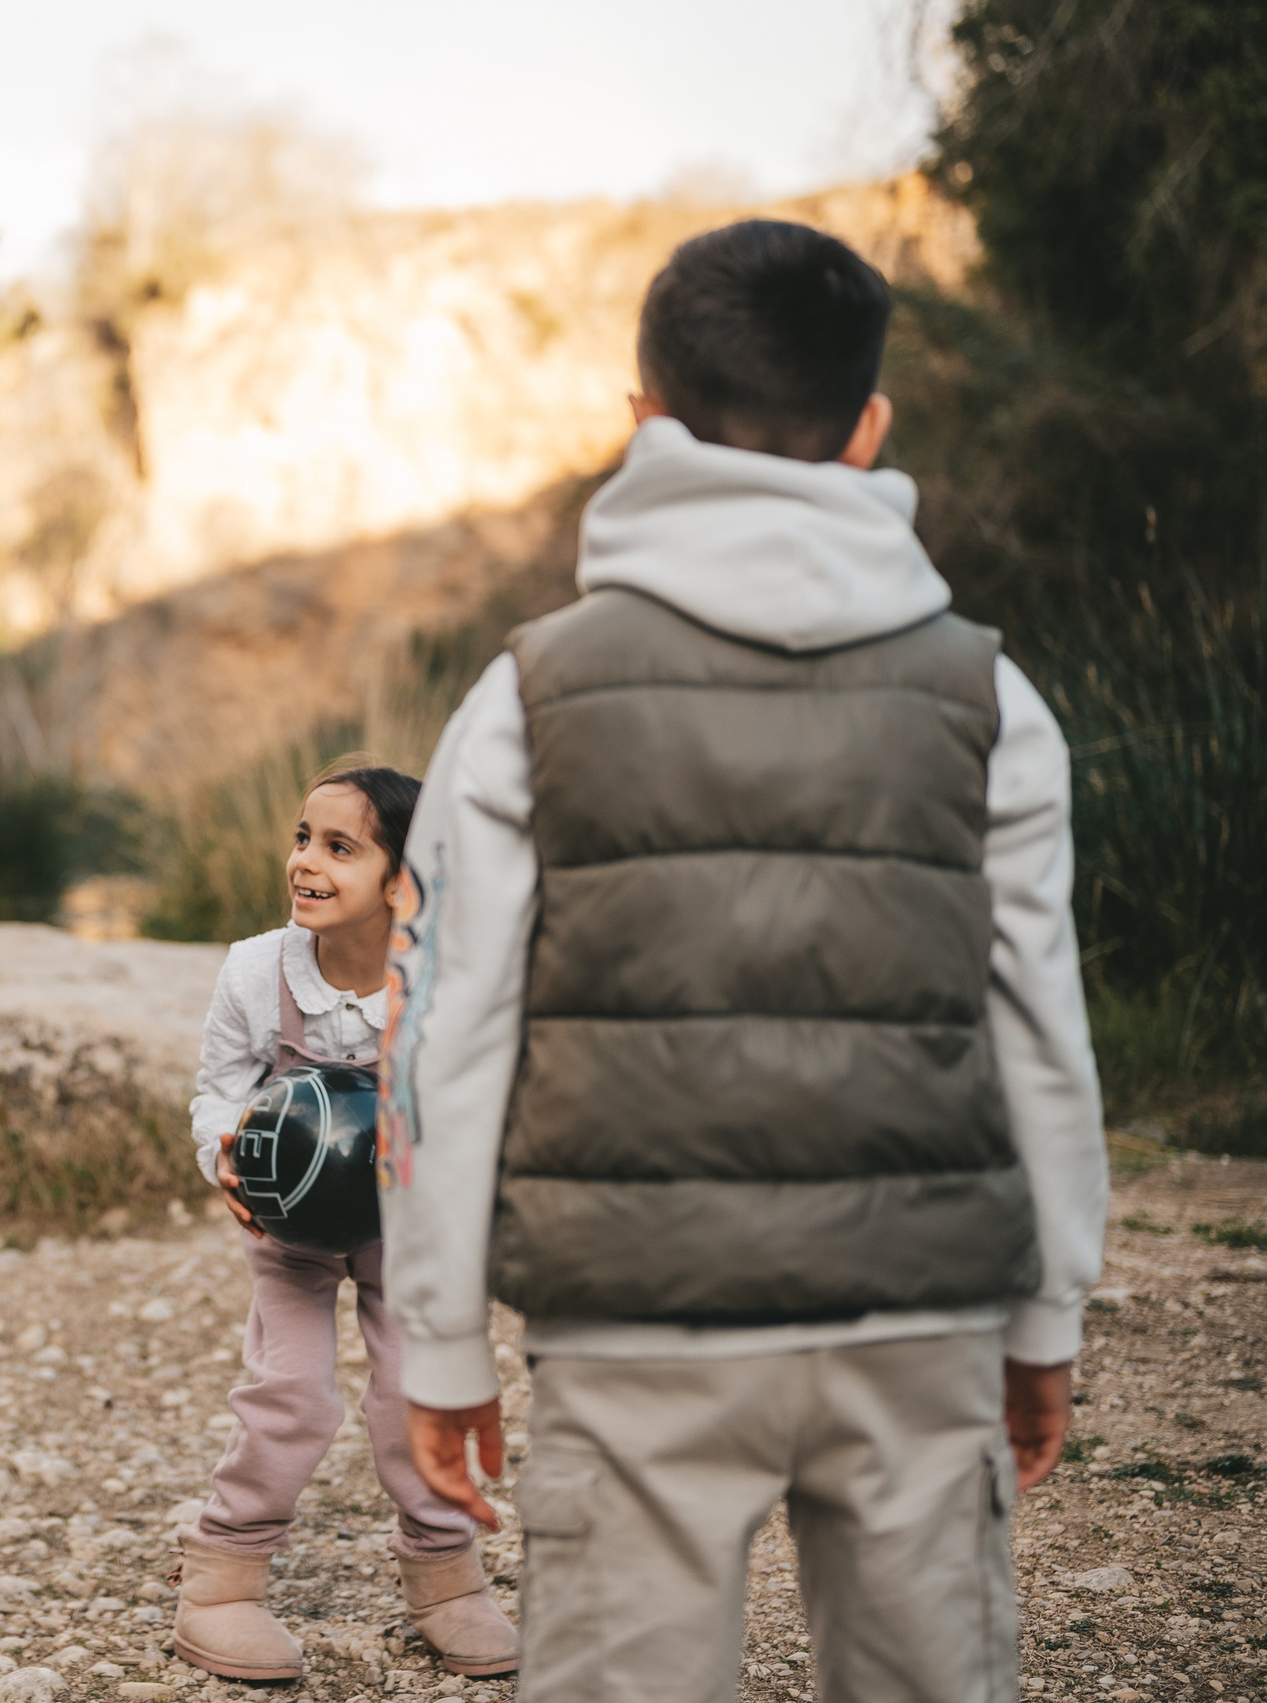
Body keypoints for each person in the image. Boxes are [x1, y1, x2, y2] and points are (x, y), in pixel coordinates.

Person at [380, 220, 1107, 1703]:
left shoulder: (526, 695)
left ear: (642, 422)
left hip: (638, 1326)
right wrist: (1049, 1315)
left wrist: (441, 1337)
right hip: (919, 1318)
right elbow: (1043, 1029)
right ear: (870, 429)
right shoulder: (993, 695)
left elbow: (447, 1031)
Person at [176, 765, 519, 1682]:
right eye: (301, 838)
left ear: (402, 880)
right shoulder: (260, 967)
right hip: (288, 1226)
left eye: (339, 847)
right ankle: (221, 1580)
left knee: (417, 1391)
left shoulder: (440, 979)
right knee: (290, 1392)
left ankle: (446, 1579)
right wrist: (228, 1154)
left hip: (406, 1223)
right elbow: (220, 1089)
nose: (306, 862)